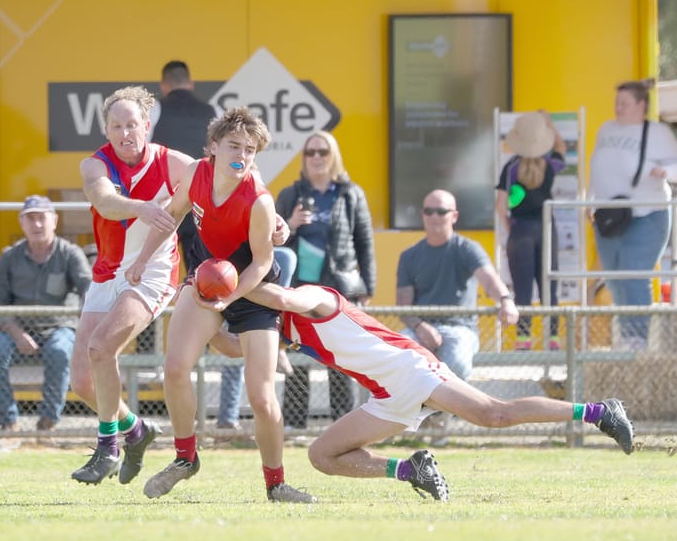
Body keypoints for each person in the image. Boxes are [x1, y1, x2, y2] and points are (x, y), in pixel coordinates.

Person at [225, 282, 635, 501]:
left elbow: (282, 296)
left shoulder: (311, 296)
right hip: (387, 394)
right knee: (322, 456)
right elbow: (233, 347)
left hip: (410, 367)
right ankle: (411, 471)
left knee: (495, 414)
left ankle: (600, 412)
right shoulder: (283, 331)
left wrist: (231, 283)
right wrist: (207, 307)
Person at [126, 106, 315, 503]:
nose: (242, 155)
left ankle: (276, 484)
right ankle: (185, 458)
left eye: (250, 150)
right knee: (174, 368)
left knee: (261, 397)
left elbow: (264, 262)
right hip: (206, 279)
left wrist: (230, 296)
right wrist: (142, 259)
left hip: (252, 289)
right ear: (212, 146)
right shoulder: (196, 173)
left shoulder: (259, 200)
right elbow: (173, 215)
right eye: (234, 145)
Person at [69, 85, 190, 486]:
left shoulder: (172, 163)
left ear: (147, 125)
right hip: (107, 273)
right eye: (116, 125)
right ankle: (137, 431)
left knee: (102, 348)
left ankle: (108, 447)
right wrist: (144, 208)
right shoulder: (94, 166)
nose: (125, 133)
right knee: (83, 381)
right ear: (106, 129)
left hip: (152, 272)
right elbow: (104, 201)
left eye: (132, 124)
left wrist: (272, 217)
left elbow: (224, 176)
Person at [149, 60, 246, 430]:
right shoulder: (213, 114)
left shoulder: (156, 112)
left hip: (173, 212)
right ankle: (207, 349)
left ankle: (166, 355)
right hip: (210, 213)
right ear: (191, 82)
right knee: (214, 290)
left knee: (171, 289)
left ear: (164, 85)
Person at [397, 189, 519, 443]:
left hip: (459, 327)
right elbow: (403, 305)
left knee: (457, 362)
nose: (434, 216)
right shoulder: (409, 255)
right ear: (422, 215)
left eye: (441, 211)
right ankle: (393, 424)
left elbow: (488, 279)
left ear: (454, 216)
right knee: (392, 356)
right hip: (420, 328)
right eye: (429, 211)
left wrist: (506, 301)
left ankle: (439, 419)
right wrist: (420, 326)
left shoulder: (467, 248)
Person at [275, 131, 376, 430]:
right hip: (299, 287)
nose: (317, 158)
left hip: (338, 288)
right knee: (297, 349)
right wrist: (291, 225)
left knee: (340, 355)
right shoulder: (290, 194)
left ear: (333, 156)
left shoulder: (350, 194)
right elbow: (272, 242)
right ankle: (294, 424)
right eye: (310, 152)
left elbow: (364, 242)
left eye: (323, 152)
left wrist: (367, 286)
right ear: (304, 159)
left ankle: (342, 424)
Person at [588, 80, 677, 349]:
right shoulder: (605, 129)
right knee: (613, 276)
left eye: (624, 103)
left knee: (634, 275)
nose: (618, 108)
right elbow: (597, 166)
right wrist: (590, 201)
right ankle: (626, 334)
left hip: (646, 214)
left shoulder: (657, 133)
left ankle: (638, 339)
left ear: (641, 105)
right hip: (608, 216)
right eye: (617, 102)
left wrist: (664, 172)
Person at [0, 195, 92, 432]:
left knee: (59, 351)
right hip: (18, 328)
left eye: (42, 218)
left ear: (54, 220)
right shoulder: (9, 257)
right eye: (30, 219)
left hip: (60, 326)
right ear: (21, 223)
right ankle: (8, 423)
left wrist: (87, 326)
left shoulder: (70, 253)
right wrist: (17, 334)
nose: (37, 225)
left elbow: (90, 289)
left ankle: (47, 423)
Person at [495, 111, 567, 350]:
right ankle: (553, 339)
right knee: (550, 288)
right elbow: (561, 147)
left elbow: (500, 206)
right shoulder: (550, 164)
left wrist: (510, 229)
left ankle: (523, 340)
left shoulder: (511, 167)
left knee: (522, 289)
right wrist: (549, 122)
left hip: (520, 231)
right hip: (546, 229)